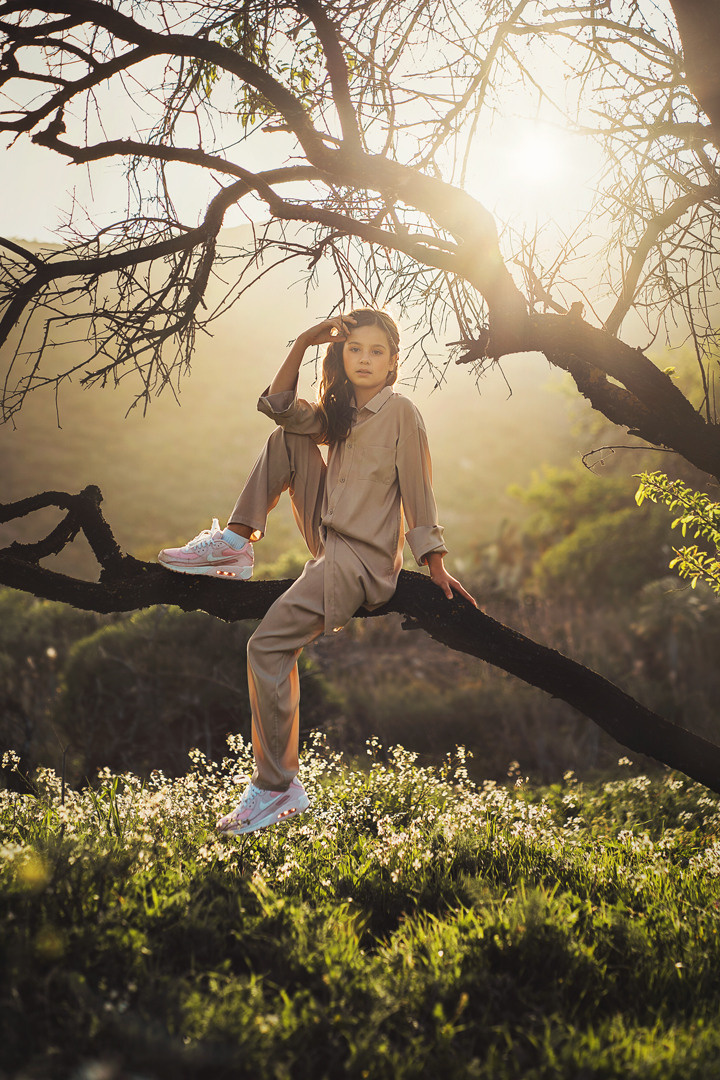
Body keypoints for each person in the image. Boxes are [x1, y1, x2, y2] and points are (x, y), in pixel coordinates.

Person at [158, 308, 476, 836]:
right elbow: (278, 407)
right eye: (356, 350)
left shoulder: (403, 413)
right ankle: (236, 542)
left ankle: (277, 786)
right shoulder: (340, 410)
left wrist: (434, 563)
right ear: (342, 356)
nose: (365, 360)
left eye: (377, 352)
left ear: (394, 363)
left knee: (266, 647)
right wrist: (305, 339)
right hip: (326, 536)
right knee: (288, 436)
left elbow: (421, 494)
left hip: (362, 561)